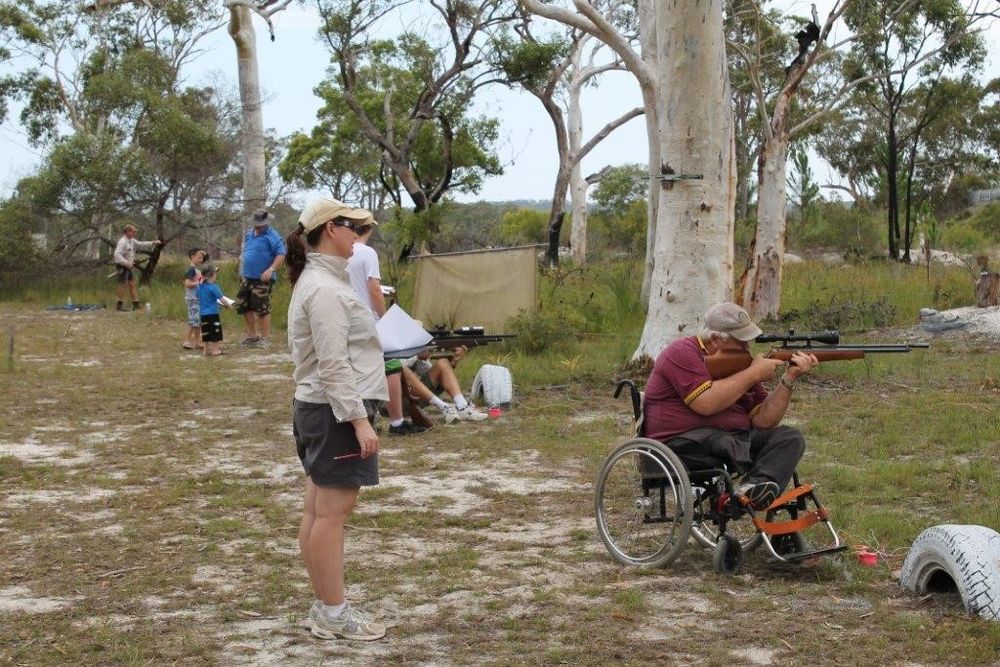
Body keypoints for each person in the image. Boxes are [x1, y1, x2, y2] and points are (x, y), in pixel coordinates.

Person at [286, 197, 388, 642]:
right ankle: (334, 612)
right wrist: (359, 420)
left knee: (317, 511)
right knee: (331, 515)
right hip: (333, 411)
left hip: (317, 408)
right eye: (354, 227)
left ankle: (327, 604)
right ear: (331, 229)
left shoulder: (320, 280)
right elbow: (333, 364)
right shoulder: (325, 289)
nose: (361, 236)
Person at [643, 302, 819, 510]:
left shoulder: (739, 366)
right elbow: (705, 404)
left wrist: (789, 378)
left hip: (728, 441)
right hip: (683, 445)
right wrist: (753, 373)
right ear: (716, 339)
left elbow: (765, 420)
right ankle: (742, 494)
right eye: (741, 342)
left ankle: (751, 489)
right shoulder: (681, 352)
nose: (748, 348)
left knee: (789, 437)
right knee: (726, 441)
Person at [346, 220, 425, 436]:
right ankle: (396, 421)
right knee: (391, 365)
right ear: (369, 229)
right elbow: (374, 291)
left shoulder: (339, 252)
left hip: (345, 319)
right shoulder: (367, 253)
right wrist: (385, 318)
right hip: (367, 320)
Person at [236, 208, 286, 349]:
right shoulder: (249, 234)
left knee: (262, 308)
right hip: (247, 277)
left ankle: (265, 338)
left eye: (263, 224)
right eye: (258, 224)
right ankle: (253, 336)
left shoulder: (272, 235)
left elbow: (281, 254)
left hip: (262, 278)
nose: (260, 227)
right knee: (244, 306)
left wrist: (271, 269)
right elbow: (247, 252)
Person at [401, 346, 489, 424]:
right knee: (401, 369)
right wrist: (416, 356)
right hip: (396, 403)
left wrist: (453, 361)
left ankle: (462, 407)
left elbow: (427, 373)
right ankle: (444, 407)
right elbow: (393, 365)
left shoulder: (409, 340)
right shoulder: (389, 340)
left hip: (416, 398)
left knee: (443, 363)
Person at [113, 223, 163, 311]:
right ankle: (119, 305)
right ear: (127, 232)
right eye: (133, 231)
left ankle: (135, 304)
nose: (134, 233)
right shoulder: (122, 242)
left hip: (128, 266)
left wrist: (153, 242)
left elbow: (141, 244)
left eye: (135, 232)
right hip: (122, 266)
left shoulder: (131, 240)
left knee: (132, 284)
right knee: (123, 285)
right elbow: (117, 255)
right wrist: (126, 263)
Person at [196, 265, 232, 357]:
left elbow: (199, 298)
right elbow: (222, 299)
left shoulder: (199, 287)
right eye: (215, 273)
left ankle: (205, 350)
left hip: (203, 314)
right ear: (211, 275)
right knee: (215, 331)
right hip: (213, 314)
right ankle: (215, 350)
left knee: (206, 331)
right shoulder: (214, 287)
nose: (216, 275)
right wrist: (229, 306)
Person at [182, 247, 207, 350]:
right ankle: (187, 340)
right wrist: (199, 282)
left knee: (198, 321)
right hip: (192, 299)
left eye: (202, 258)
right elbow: (188, 283)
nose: (201, 259)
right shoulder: (191, 269)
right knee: (193, 320)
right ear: (192, 257)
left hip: (198, 298)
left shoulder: (197, 270)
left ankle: (197, 342)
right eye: (199, 257)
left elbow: (199, 281)